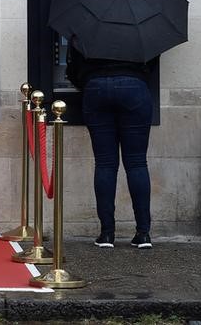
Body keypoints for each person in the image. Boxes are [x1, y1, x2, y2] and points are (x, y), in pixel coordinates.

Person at [66, 41, 155, 250]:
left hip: (95, 86)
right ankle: (143, 234)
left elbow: (72, 68)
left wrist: (88, 79)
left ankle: (107, 234)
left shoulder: (85, 25)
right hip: (134, 86)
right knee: (137, 163)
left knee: (105, 164)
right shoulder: (141, 24)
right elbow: (151, 62)